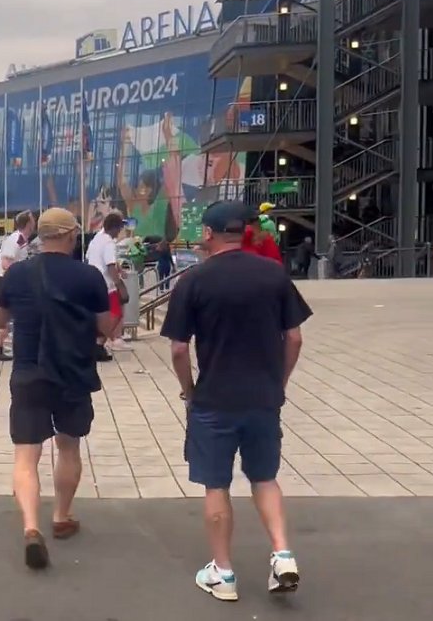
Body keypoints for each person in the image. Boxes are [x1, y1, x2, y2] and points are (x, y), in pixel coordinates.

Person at [160, 200, 311, 602]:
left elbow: (178, 348)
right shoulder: (273, 274)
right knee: (264, 478)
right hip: (263, 397)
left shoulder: (193, 281)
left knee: (216, 484)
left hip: (214, 399)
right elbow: (294, 337)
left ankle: (223, 573)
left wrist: (188, 389)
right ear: (243, 231)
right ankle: (282, 554)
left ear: (208, 234)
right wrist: (278, 381)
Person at [0, 208, 112, 570]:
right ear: (71, 234)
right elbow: (105, 327)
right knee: (69, 446)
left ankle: (31, 527)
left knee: (26, 457)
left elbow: (0, 320)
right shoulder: (88, 276)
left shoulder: (17, 275)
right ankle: (61, 516)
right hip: (73, 372)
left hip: (29, 371)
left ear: (40, 236)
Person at [0, 210, 35, 361]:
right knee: (6, 314)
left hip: (5, 279)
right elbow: (6, 263)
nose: (35, 222)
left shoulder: (22, 240)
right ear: (28, 223)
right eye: (33, 219)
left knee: (5, 315)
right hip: (3, 279)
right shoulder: (16, 239)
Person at [85, 212, 128, 359]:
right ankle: (99, 343)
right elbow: (110, 267)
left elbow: (89, 258)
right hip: (107, 285)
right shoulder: (109, 242)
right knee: (115, 314)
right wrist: (120, 285)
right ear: (114, 228)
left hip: (92, 282)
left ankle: (96, 343)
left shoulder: (96, 239)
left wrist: (119, 268)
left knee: (100, 315)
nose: (119, 232)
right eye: (119, 229)